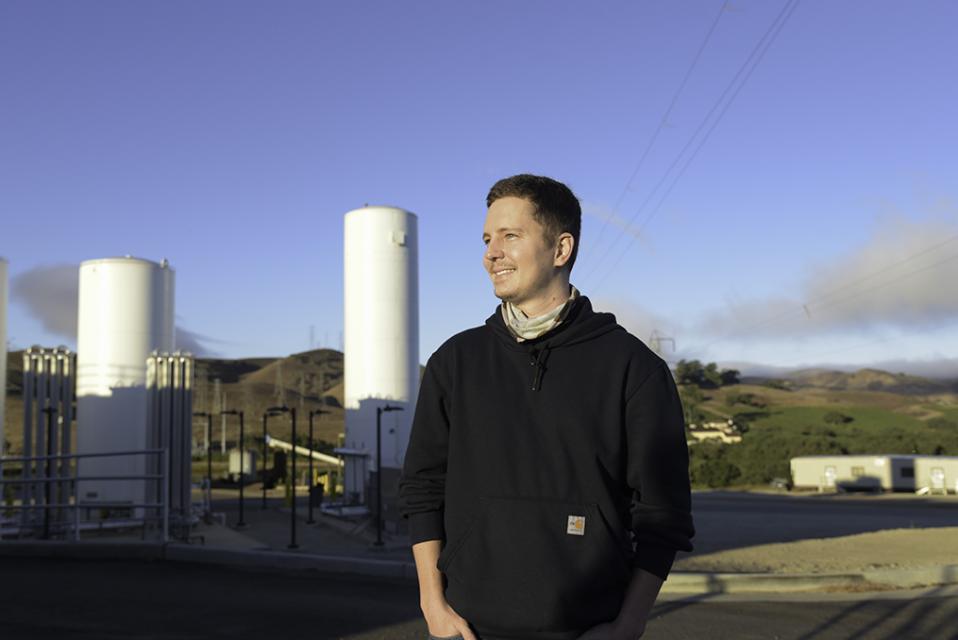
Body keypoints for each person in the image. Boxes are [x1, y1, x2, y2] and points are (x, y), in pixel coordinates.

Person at [398, 174, 694, 640]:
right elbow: (422, 488)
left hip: (588, 629)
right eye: (487, 239)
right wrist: (432, 604)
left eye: (510, 236)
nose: (490, 253)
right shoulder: (455, 362)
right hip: (469, 629)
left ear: (561, 250)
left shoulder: (634, 368)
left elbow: (664, 515)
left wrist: (629, 624)